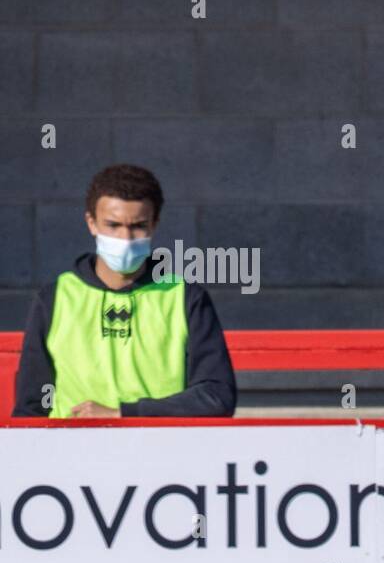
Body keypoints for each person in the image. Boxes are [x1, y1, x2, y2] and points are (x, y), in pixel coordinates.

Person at [12, 163, 236, 418]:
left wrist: (124, 414)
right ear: (91, 223)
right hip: (75, 453)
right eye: (113, 225)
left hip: (161, 451)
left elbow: (217, 397)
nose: (125, 238)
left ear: (154, 225)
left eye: (138, 226)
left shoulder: (186, 297)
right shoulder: (55, 297)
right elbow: (31, 408)